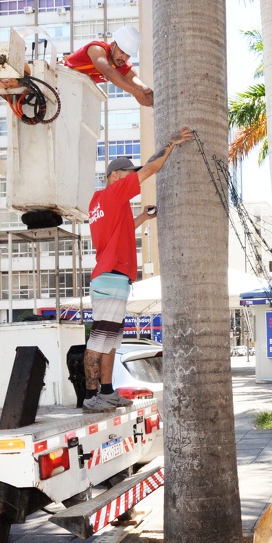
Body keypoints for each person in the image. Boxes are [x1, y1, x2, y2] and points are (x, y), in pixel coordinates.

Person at [82, 126, 194, 413]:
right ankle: (91, 395)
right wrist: (170, 144)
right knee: (99, 341)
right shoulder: (115, 191)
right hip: (110, 278)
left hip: (111, 279)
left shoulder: (101, 202)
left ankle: (106, 391)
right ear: (116, 176)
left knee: (110, 342)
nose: (134, 177)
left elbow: (121, 231)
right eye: (129, 174)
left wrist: (143, 216)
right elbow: (152, 167)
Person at [62, 25, 154, 107]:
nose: (123, 58)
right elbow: (108, 71)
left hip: (74, 91)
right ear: (113, 45)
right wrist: (135, 92)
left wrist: (152, 98)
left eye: (128, 55)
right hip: (59, 77)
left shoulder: (126, 68)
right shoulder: (97, 49)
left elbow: (139, 86)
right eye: (121, 52)